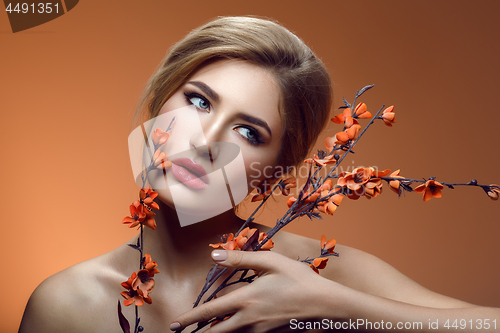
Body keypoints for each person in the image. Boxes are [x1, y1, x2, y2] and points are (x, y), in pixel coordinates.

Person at [18, 16, 499, 333]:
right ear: (158, 103)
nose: (206, 140)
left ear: (276, 171)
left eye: (249, 132)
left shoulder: (319, 276)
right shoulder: (65, 304)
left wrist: (335, 307)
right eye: (199, 100)